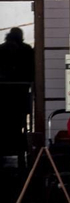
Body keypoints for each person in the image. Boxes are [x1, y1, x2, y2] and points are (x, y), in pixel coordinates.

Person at [0, 26, 34, 154]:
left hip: (3, 93)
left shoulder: (1, 48)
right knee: (19, 121)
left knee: (4, 121)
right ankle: (19, 147)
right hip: (21, 93)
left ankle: (5, 147)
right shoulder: (27, 49)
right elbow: (32, 71)